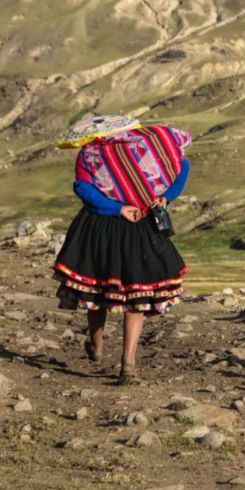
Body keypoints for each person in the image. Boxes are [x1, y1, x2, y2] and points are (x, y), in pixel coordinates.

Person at [52, 114, 191, 385]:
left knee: (97, 290)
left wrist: (117, 208)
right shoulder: (151, 148)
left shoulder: (90, 153)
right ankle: (128, 363)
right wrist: (165, 196)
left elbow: (83, 188)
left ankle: (97, 345)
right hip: (142, 225)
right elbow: (182, 167)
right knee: (136, 297)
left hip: (100, 228)